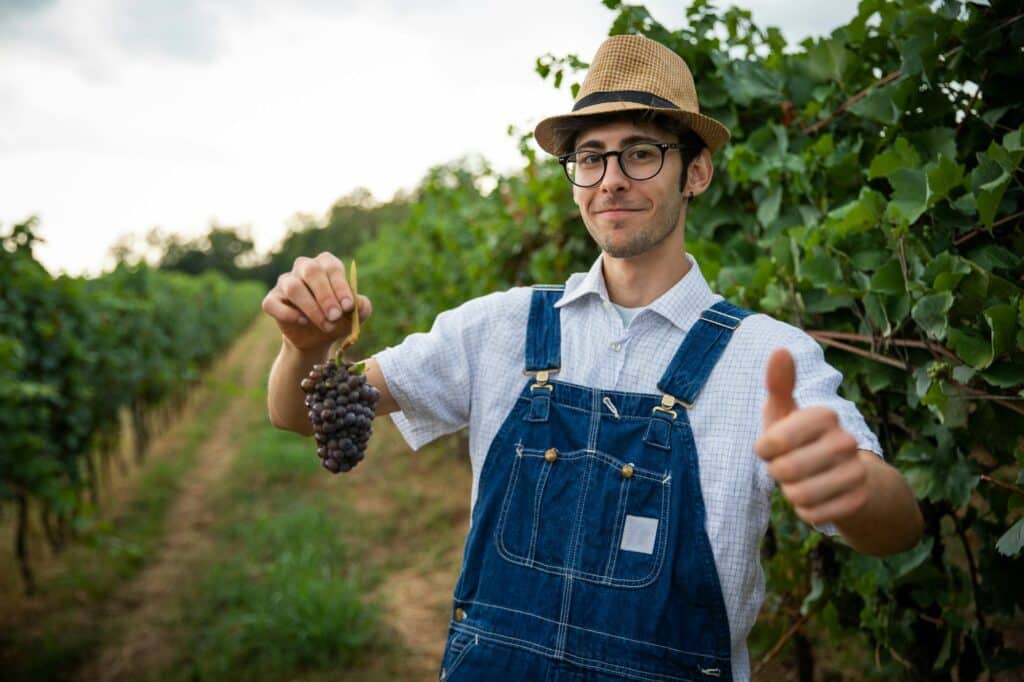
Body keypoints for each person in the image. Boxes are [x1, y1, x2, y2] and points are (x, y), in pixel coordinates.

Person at [262, 34, 923, 682]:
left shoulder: (767, 356)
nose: (611, 180)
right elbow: (300, 413)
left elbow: (897, 526)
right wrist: (307, 346)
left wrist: (851, 486)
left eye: (641, 153)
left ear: (696, 171)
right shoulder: (500, 327)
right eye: (591, 157)